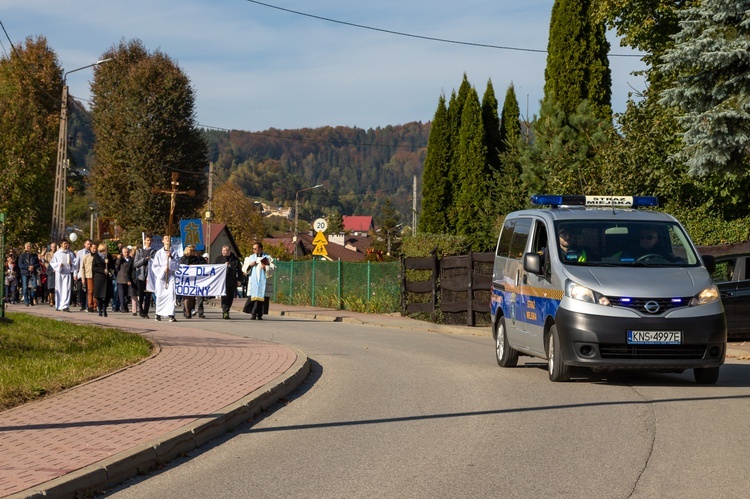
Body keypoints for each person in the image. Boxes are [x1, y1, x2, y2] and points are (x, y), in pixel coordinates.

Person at [151, 235, 179, 322]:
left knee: (171, 294)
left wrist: (171, 257)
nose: (168, 240)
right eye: (166, 238)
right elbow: (155, 266)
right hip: (161, 277)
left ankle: (171, 314)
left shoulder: (174, 252)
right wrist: (163, 270)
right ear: (163, 241)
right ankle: (158, 313)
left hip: (170, 276)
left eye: (169, 239)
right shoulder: (159, 253)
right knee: (160, 295)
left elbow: (177, 265)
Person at [242, 242, 273, 320]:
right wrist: (250, 265)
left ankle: (260, 315)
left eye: (255, 249)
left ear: (260, 249)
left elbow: (273, 268)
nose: (254, 250)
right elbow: (244, 268)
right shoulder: (250, 258)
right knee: (254, 298)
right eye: (253, 248)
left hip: (263, 282)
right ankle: (253, 314)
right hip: (254, 282)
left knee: (262, 299)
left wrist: (266, 268)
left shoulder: (267, 257)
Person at [214, 244, 240, 320]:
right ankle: (225, 312)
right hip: (222, 281)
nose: (224, 252)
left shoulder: (235, 259)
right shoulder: (219, 259)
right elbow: (214, 268)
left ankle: (227, 309)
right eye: (223, 250)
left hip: (232, 281)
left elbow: (239, 270)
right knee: (224, 297)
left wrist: (239, 280)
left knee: (230, 297)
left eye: (225, 250)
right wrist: (223, 265)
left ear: (229, 251)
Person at [50, 239, 77, 312]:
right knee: (59, 289)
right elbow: (52, 263)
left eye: (67, 244)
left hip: (67, 273)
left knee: (67, 289)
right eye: (65, 243)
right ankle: (58, 305)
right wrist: (59, 265)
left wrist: (71, 264)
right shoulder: (57, 253)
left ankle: (65, 306)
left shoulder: (70, 253)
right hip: (59, 273)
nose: (66, 245)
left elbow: (75, 263)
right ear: (61, 244)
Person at [92, 242, 116, 317]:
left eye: (106, 250)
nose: (105, 252)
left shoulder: (108, 256)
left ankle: (105, 308)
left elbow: (113, 266)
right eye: (103, 251)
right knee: (99, 295)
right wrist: (102, 270)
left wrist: (108, 263)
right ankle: (100, 309)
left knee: (107, 295)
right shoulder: (96, 257)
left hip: (107, 278)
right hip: (99, 278)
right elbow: (94, 268)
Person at [134, 235, 155, 319]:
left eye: (150, 240)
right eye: (147, 240)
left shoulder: (154, 252)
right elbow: (136, 264)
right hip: (141, 276)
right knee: (141, 294)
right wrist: (144, 259)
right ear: (145, 241)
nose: (149, 242)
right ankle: (141, 309)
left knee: (148, 295)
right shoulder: (140, 251)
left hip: (149, 276)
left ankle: (146, 312)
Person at [179, 245, 200, 319]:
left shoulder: (196, 259)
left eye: (194, 251)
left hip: (194, 279)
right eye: (192, 251)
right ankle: (187, 312)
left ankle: (189, 309)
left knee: (192, 297)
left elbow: (200, 266)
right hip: (185, 280)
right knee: (186, 296)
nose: (194, 252)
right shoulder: (183, 258)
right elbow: (181, 266)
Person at [18, 242, 40, 306]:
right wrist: (27, 267)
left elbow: (38, 264)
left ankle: (31, 298)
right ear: (25, 247)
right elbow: (20, 264)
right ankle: (26, 301)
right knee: (25, 288)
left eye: (30, 246)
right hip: (25, 272)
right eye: (27, 246)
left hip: (33, 273)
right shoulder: (22, 255)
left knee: (35, 287)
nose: (29, 248)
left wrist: (33, 266)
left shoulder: (34, 255)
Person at [115, 246, 134, 313]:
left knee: (128, 296)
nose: (126, 253)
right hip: (121, 280)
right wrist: (119, 259)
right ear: (122, 253)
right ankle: (122, 308)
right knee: (121, 295)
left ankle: (125, 306)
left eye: (127, 252)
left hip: (128, 280)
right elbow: (116, 267)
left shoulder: (131, 259)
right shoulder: (121, 260)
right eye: (125, 252)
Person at [81, 246, 95, 312]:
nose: (94, 249)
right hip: (89, 276)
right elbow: (82, 268)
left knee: (96, 292)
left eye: (95, 248)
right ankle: (90, 306)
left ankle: (95, 306)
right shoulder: (86, 257)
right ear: (90, 249)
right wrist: (83, 278)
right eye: (93, 248)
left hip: (96, 276)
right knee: (90, 291)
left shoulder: (98, 257)